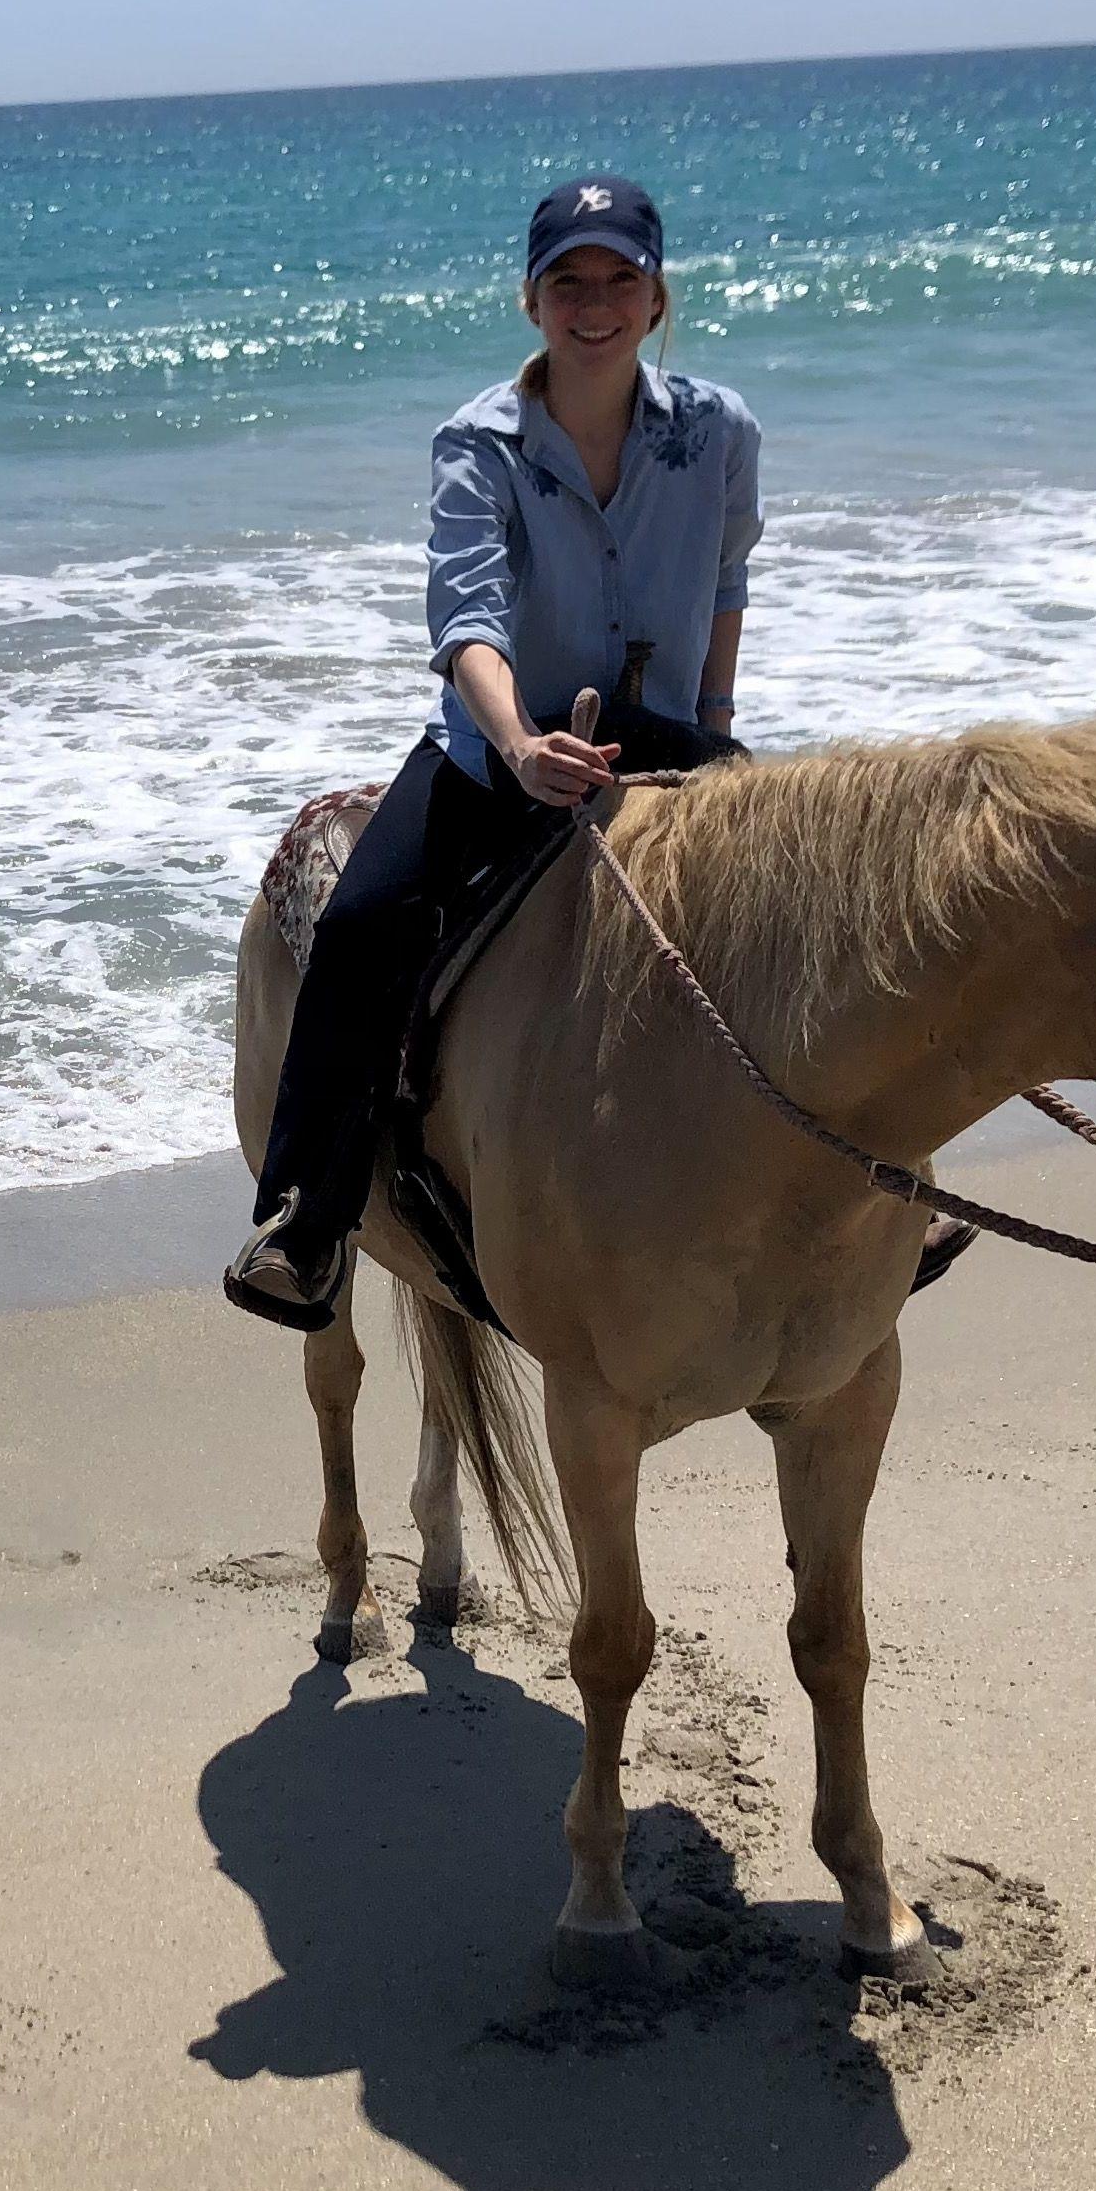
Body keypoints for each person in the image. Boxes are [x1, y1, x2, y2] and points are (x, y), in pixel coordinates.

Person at [225, 175, 757, 1332]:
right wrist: (518, 745)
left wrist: (717, 729)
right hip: (498, 747)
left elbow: (725, 579)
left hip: (666, 741)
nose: (596, 303)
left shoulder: (718, 432)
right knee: (362, 929)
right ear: (532, 301)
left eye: (622, 280)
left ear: (658, 298)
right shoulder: (480, 444)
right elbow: (466, 621)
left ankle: (885, 1199)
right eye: (571, 281)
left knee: (816, 905)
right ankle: (306, 1227)